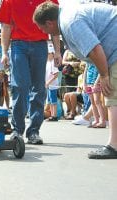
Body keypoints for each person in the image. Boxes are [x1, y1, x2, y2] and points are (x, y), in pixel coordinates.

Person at [33, 1, 117, 158]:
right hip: (112, 52)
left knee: (112, 96)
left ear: (50, 23)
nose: (44, 32)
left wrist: (105, 76)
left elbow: (94, 48)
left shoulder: (71, 22)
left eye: (42, 28)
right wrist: (102, 74)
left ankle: (114, 146)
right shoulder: (67, 15)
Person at [0, 0, 61, 145]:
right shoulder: (9, 1)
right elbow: (6, 26)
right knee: (20, 86)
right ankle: (17, 130)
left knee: (39, 88)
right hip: (18, 44)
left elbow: (55, 27)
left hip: (40, 45)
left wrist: (57, 51)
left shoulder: (50, 1)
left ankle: (33, 132)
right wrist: (4, 52)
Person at [83, 62, 106, 128]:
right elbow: (85, 71)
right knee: (92, 102)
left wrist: (96, 82)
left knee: (97, 101)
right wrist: (84, 83)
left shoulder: (97, 59)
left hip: (96, 82)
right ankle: (96, 120)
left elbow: (101, 71)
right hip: (89, 82)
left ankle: (103, 121)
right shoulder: (88, 60)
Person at [45, 42, 60, 121]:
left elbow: (56, 74)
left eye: (49, 53)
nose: (47, 55)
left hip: (53, 85)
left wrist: (48, 82)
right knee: (50, 100)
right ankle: (52, 115)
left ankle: (54, 115)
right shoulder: (47, 63)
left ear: (52, 54)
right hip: (49, 85)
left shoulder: (53, 63)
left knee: (53, 100)